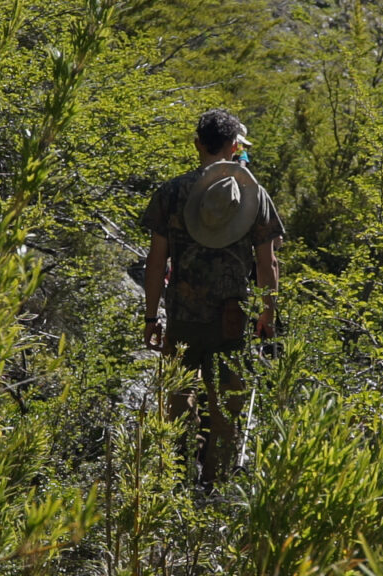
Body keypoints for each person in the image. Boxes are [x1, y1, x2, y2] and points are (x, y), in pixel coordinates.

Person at [141, 109, 285, 489]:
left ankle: (172, 482)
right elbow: (267, 262)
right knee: (225, 409)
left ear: (197, 144)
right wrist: (266, 315)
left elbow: (156, 263)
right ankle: (214, 487)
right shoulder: (256, 196)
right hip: (232, 320)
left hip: (181, 317)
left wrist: (150, 317)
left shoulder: (171, 192)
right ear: (235, 146)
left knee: (177, 401)